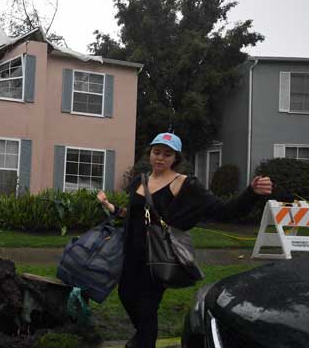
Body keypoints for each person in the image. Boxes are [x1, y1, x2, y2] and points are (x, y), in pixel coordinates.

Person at [96, 132, 272, 348]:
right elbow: (137, 214)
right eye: (156, 152)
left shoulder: (185, 184)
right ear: (149, 153)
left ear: (176, 158)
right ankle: (141, 336)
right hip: (130, 256)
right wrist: (111, 209)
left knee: (146, 308)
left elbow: (224, 211)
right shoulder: (138, 181)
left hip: (158, 258)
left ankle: (142, 342)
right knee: (126, 295)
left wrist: (251, 193)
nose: (160, 158)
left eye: (167, 154)